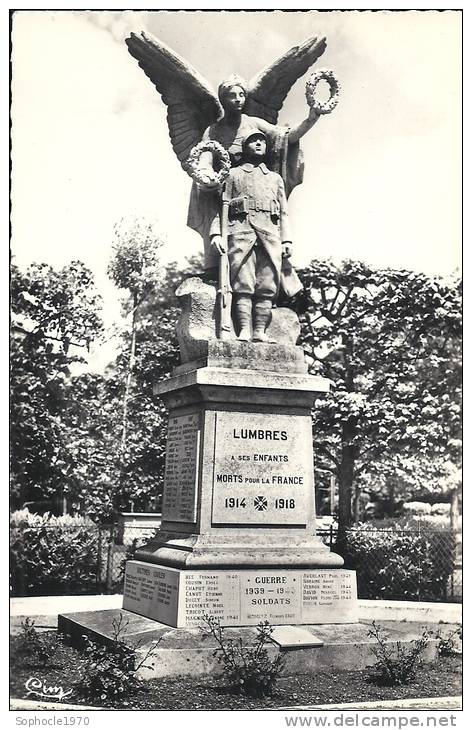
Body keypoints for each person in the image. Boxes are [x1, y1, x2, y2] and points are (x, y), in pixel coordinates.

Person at [187, 75, 320, 279]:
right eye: (232, 96)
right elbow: (205, 157)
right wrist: (205, 175)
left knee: (264, 257)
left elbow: (285, 137)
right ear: (223, 100)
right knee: (207, 199)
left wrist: (312, 118)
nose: (238, 99)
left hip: (255, 188)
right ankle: (213, 267)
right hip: (225, 189)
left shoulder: (254, 124)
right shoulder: (213, 130)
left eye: (241, 95)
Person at [209, 131, 298, 342]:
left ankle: (260, 331)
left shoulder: (275, 179)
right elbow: (218, 208)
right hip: (241, 234)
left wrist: (287, 239)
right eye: (253, 141)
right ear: (244, 147)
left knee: (267, 287)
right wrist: (216, 234)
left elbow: (284, 212)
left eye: (262, 141)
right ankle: (244, 330)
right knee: (243, 284)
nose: (259, 144)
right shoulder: (232, 175)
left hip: (270, 236)